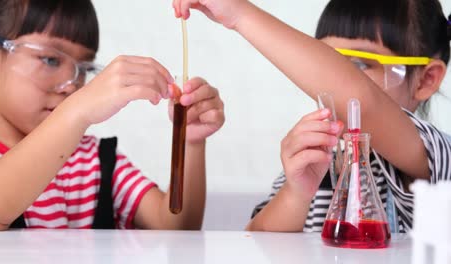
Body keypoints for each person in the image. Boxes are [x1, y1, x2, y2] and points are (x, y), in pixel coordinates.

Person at [173, 0, 451, 233]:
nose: (327, 83)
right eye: (324, 61)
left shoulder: (436, 156)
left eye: (357, 65)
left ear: (426, 80)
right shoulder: (315, 160)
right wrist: (296, 193)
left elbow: (362, 102)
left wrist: (240, 15)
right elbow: (258, 244)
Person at [0, 0, 225, 230]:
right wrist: (76, 110)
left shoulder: (94, 160)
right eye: (50, 59)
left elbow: (175, 226)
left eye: (83, 69)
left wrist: (189, 140)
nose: (72, 85)